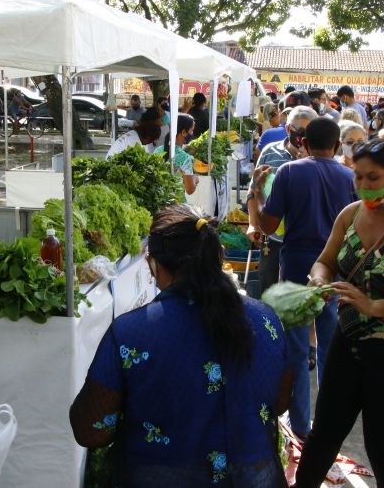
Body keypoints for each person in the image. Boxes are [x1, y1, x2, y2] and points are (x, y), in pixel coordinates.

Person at [70, 203, 295, 486]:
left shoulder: (130, 333)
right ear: (216, 257)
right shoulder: (267, 320)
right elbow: (280, 402)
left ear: (153, 264)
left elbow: (91, 431)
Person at [293, 139, 384, 488]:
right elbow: (325, 261)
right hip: (347, 343)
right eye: (357, 176)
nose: (362, 185)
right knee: (323, 437)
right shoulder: (352, 213)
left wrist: (373, 306)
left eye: (373, 178)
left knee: (383, 447)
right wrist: (319, 280)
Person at [251, 118, 357, 440]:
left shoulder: (289, 172)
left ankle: (300, 426)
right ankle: (327, 425)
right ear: (338, 146)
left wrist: (256, 191)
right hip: (335, 267)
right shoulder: (350, 176)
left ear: (304, 143)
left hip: (297, 265)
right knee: (328, 348)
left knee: (297, 350)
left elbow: (267, 228)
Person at [247, 107, 318, 296]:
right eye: (299, 131)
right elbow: (254, 189)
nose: (303, 138)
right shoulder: (270, 152)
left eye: (309, 132)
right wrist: (253, 224)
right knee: (269, 290)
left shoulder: (319, 157)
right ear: (288, 130)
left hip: (306, 242)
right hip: (273, 239)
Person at [154, 114, 198, 199]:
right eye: (191, 130)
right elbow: (190, 190)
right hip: (176, 205)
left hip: (158, 201)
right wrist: (195, 179)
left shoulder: (158, 150)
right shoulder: (186, 158)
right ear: (184, 132)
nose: (192, 134)